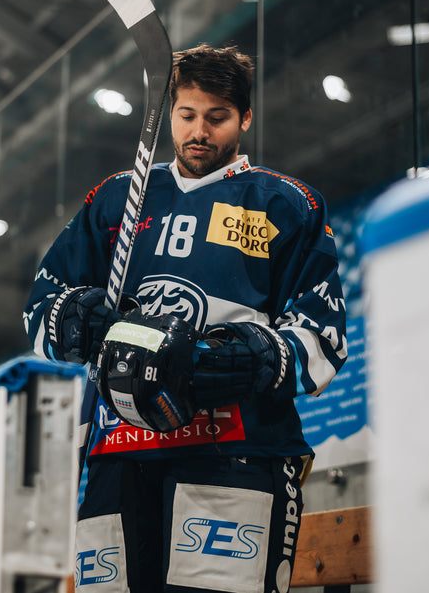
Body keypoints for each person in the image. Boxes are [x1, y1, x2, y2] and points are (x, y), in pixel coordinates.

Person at [23, 44, 347, 593]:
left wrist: (245, 358)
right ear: (170, 112)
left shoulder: (285, 203)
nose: (200, 131)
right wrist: (79, 320)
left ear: (244, 118)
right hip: (117, 455)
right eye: (187, 115)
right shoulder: (118, 199)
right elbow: (40, 310)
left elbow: (323, 339)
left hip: (235, 451)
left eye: (217, 117)